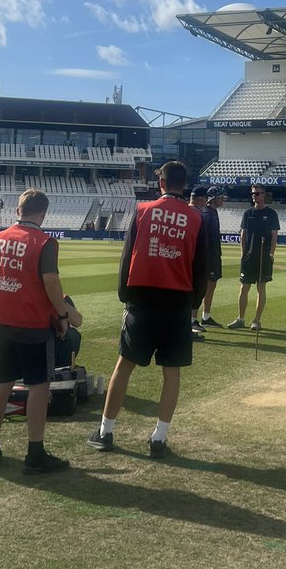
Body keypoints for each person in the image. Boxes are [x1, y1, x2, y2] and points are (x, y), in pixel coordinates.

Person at [87, 160, 207, 457]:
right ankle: (159, 439)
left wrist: (125, 295)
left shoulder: (143, 210)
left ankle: (105, 431)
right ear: (184, 184)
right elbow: (201, 267)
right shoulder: (196, 218)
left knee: (124, 365)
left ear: (161, 183)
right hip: (178, 303)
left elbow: (127, 256)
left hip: (142, 300)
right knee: (172, 372)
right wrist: (193, 304)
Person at [0, 189, 81, 474]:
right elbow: (51, 281)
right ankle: (35, 452)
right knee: (39, 387)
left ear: (18, 210)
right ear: (43, 213)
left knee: (1, 384)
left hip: (4, 322)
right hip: (34, 325)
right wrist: (64, 315)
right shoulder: (44, 242)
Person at [228, 185, 280, 331]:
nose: (254, 196)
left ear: (264, 195)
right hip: (249, 257)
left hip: (264, 256)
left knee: (261, 287)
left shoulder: (271, 214)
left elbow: (274, 236)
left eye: (257, 193)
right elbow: (243, 235)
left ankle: (257, 320)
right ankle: (240, 319)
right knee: (244, 287)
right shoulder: (247, 213)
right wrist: (242, 253)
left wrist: (271, 254)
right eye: (252, 193)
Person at [198, 186, 226, 327]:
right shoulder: (207, 214)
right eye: (221, 197)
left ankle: (206, 316)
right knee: (205, 287)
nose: (223, 199)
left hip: (213, 255)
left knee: (210, 286)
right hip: (209, 256)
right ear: (214, 198)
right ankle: (196, 318)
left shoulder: (212, 213)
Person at [188, 185, 209, 337]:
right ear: (201, 199)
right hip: (194, 263)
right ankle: (189, 326)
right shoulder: (198, 215)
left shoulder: (183, 211)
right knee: (194, 294)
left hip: (181, 261)